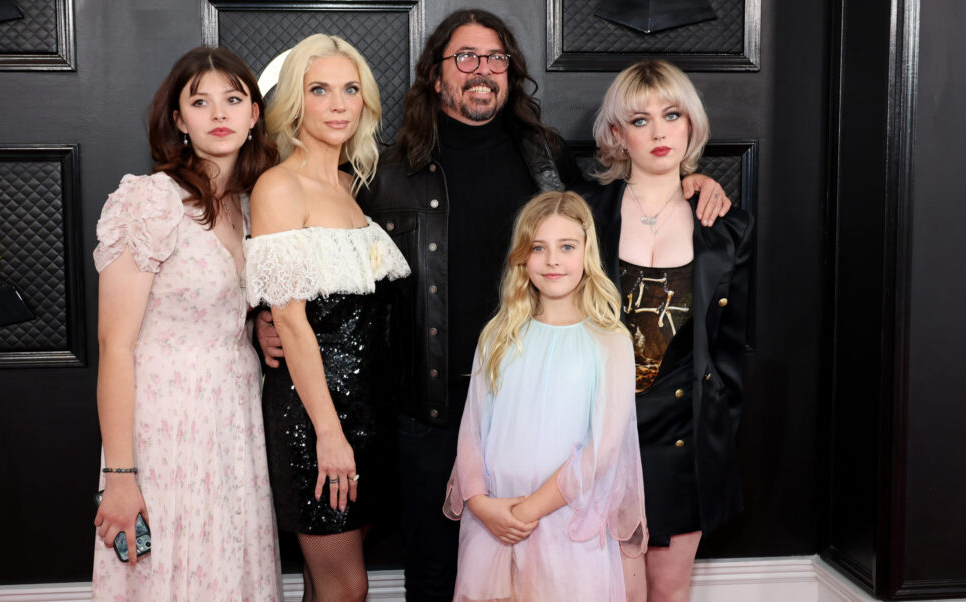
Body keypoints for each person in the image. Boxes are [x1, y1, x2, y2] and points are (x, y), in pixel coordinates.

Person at [258, 9, 731, 599]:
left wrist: (692, 178)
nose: (482, 70)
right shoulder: (385, 168)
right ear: (436, 76)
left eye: (495, 58)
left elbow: (612, 209)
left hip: (533, 406)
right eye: (465, 58)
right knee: (435, 574)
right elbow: (313, 253)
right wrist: (265, 317)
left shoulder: (546, 157)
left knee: (538, 573)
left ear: (509, 72)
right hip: (428, 410)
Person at [91, 47, 281, 600]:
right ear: (179, 120)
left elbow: (217, 309)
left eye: (233, 99)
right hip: (164, 424)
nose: (218, 113)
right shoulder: (150, 201)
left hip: (235, 417)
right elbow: (115, 344)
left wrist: (256, 329)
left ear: (253, 115)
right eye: (200, 102)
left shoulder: (254, 205)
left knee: (227, 568)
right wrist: (120, 477)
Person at [243, 34, 410, 602]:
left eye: (350, 89)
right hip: (315, 417)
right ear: (295, 102)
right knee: (348, 587)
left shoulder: (349, 185)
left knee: (327, 586)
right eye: (320, 90)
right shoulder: (278, 185)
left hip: (369, 409)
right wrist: (329, 434)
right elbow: (290, 321)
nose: (338, 104)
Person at [581, 60, 755, 602]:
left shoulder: (727, 228)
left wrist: (718, 425)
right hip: (596, 433)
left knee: (667, 591)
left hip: (683, 434)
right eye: (640, 120)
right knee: (600, 587)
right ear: (616, 134)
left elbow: (732, 345)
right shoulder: (582, 215)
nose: (659, 132)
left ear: (690, 126)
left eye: (672, 115)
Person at [443, 190, 648, 601]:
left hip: (566, 522)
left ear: (587, 253)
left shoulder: (609, 341)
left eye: (567, 247)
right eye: (539, 247)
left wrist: (529, 511)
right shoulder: (499, 335)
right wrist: (482, 505)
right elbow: (472, 431)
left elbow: (603, 450)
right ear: (523, 257)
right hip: (494, 521)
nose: (553, 260)